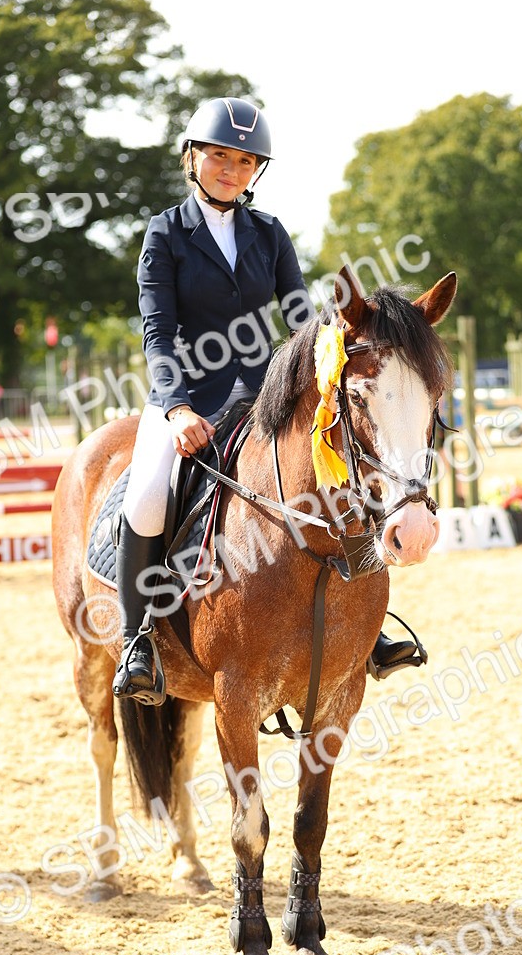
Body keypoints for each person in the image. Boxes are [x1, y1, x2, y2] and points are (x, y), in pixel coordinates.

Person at [113, 97, 418, 702]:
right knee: (148, 494)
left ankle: (369, 628)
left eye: (246, 160)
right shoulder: (165, 234)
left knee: (337, 473)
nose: (232, 169)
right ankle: (137, 639)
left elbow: (299, 318)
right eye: (220, 155)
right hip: (188, 397)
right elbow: (158, 331)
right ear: (192, 158)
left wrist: (335, 355)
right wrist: (175, 409)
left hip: (264, 398)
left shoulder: (269, 233)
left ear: (258, 171)